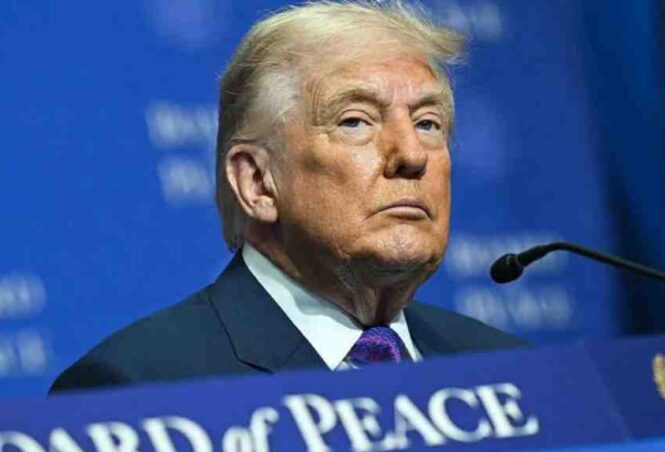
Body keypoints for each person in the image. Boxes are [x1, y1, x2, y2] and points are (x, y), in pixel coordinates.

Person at [50, 1, 524, 393]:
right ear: (257, 182)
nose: (412, 154)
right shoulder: (140, 388)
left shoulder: (508, 371)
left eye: (428, 123)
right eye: (355, 121)